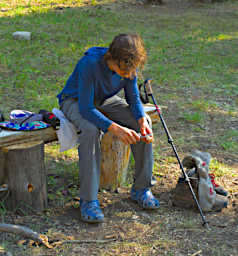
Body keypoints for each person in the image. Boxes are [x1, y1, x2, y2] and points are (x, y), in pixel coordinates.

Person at [57, 34, 159, 223]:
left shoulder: (129, 66)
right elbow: (86, 109)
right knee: (91, 130)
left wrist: (141, 121)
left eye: (131, 70)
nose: (128, 74)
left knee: (145, 122)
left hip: (104, 100)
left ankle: (141, 188)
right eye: (123, 70)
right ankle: (88, 200)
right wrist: (115, 129)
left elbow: (133, 98)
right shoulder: (90, 64)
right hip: (76, 100)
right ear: (112, 59)